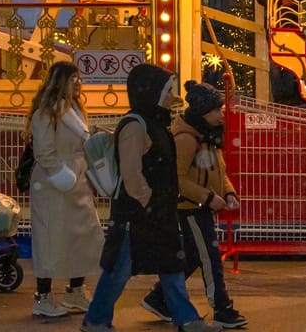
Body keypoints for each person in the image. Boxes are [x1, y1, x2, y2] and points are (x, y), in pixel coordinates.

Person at [81, 63, 220, 332]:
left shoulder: (154, 123)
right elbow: (131, 174)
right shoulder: (136, 126)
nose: (171, 97)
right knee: (120, 269)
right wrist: (150, 202)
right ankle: (96, 320)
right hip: (136, 213)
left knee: (170, 264)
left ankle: (187, 319)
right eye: (166, 91)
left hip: (154, 210)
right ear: (151, 92)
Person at [144, 81, 245, 328]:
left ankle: (158, 298)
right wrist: (208, 197)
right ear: (203, 112)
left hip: (197, 205)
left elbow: (218, 171)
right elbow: (176, 179)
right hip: (190, 208)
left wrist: (228, 192)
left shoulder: (205, 135)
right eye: (216, 110)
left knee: (192, 256)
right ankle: (221, 308)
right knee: (210, 257)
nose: (221, 114)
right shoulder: (188, 139)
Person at [27, 61, 101, 319]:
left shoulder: (75, 109)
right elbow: (44, 151)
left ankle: (75, 291)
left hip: (76, 182)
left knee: (81, 237)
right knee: (51, 238)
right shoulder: (45, 113)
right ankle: (43, 296)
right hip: (53, 184)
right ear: (61, 81)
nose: (78, 84)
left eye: (79, 79)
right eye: (73, 79)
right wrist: (62, 175)